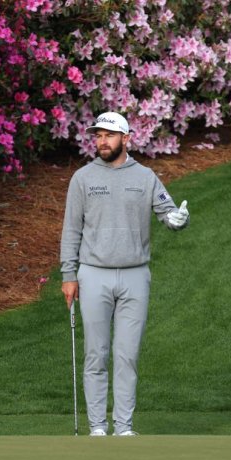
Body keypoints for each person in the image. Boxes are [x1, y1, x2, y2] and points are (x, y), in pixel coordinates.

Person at [60, 111, 189, 436]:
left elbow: (167, 210)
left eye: (110, 135)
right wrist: (68, 275)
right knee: (96, 354)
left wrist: (178, 219)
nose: (102, 141)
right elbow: (71, 230)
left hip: (135, 276)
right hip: (93, 274)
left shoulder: (145, 177)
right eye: (99, 135)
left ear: (126, 139)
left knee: (127, 355)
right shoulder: (83, 178)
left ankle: (124, 427)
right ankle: (98, 428)